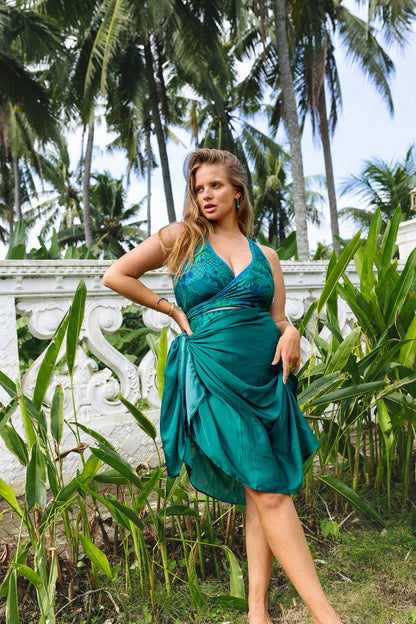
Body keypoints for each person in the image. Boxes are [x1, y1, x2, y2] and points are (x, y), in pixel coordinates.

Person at [102, 148, 343, 624]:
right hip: (213, 373)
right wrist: (171, 310)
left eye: (214, 185)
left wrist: (292, 331)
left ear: (237, 190)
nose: (205, 195)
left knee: (260, 490)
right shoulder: (181, 238)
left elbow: (277, 318)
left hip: (265, 377)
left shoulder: (267, 256)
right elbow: (117, 275)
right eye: (198, 188)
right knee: (271, 490)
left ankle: (257, 611)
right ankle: (326, 616)